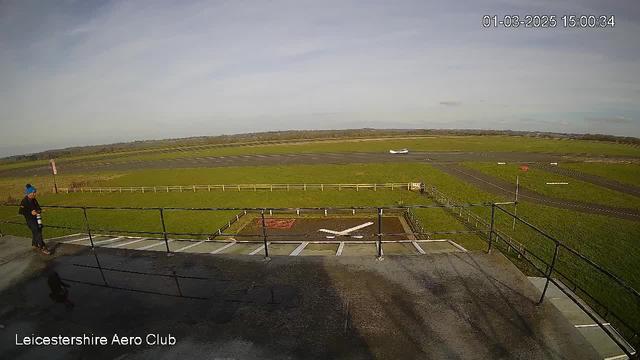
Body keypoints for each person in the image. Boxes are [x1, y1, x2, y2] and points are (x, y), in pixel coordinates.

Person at [18, 184, 51, 255]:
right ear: (30, 193)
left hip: (37, 219)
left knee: (37, 231)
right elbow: (21, 211)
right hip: (30, 220)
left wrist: (41, 210)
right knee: (38, 233)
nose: (35, 194)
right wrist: (30, 212)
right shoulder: (24, 201)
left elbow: (37, 207)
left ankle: (34, 245)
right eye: (34, 193)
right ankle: (43, 247)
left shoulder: (34, 200)